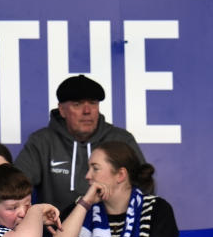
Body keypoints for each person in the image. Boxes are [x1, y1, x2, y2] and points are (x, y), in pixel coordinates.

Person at [14, 74, 145, 211]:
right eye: (77, 104)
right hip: (58, 228)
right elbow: (14, 187)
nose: (87, 111)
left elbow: (144, 186)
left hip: (114, 229)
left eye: (93, 103)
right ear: (62, 110)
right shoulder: (42, 142)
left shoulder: (121, 139)